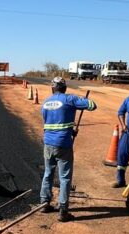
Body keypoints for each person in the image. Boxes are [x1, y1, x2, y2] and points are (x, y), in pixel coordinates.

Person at [40, 76, 97, 222]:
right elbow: (92, 105)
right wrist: (80, 101)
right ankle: (63, 211)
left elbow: (52, 123)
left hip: (48, 143)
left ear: (52, 88)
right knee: (65, 178)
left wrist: (70, 130)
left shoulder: (46, 102)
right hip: (63, 144)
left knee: (48, 173)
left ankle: (44, 203)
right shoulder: (69, 99)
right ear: (64, 88)